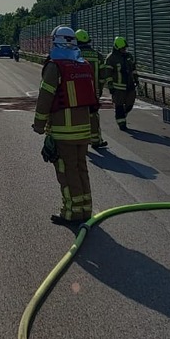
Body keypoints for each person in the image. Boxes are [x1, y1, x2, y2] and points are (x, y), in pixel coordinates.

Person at [32, 25, 97, 226]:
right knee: (80, 168)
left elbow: (45, 97)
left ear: (55, 42)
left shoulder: (55, 66)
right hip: (83, 129)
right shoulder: (83, 65)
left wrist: (39, 124)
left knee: (67, 172)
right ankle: (85, 210)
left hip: (63, 131)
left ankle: (71, 213)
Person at [75, 29, 108, 150]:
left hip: (76, 93)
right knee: (93, 115)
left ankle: (81, 141)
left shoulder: (74, 55)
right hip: (94, 92)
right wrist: (99, 90)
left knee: (78, 116)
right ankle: (96, 140)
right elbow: (103, 76)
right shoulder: (97, 56)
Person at [104, 36, 139, 130]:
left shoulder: (129, 56)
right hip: (118, 87)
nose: (124, 50)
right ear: (117, 48)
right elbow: (108, 73)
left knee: (130, 105)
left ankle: (122, 115)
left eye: (125, 48)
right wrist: (110, 85)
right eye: (122, 48)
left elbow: (133, 69)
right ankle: (121, 124)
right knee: (119, 106)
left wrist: (136, 78)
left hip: (130, 86)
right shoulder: (111, 58)